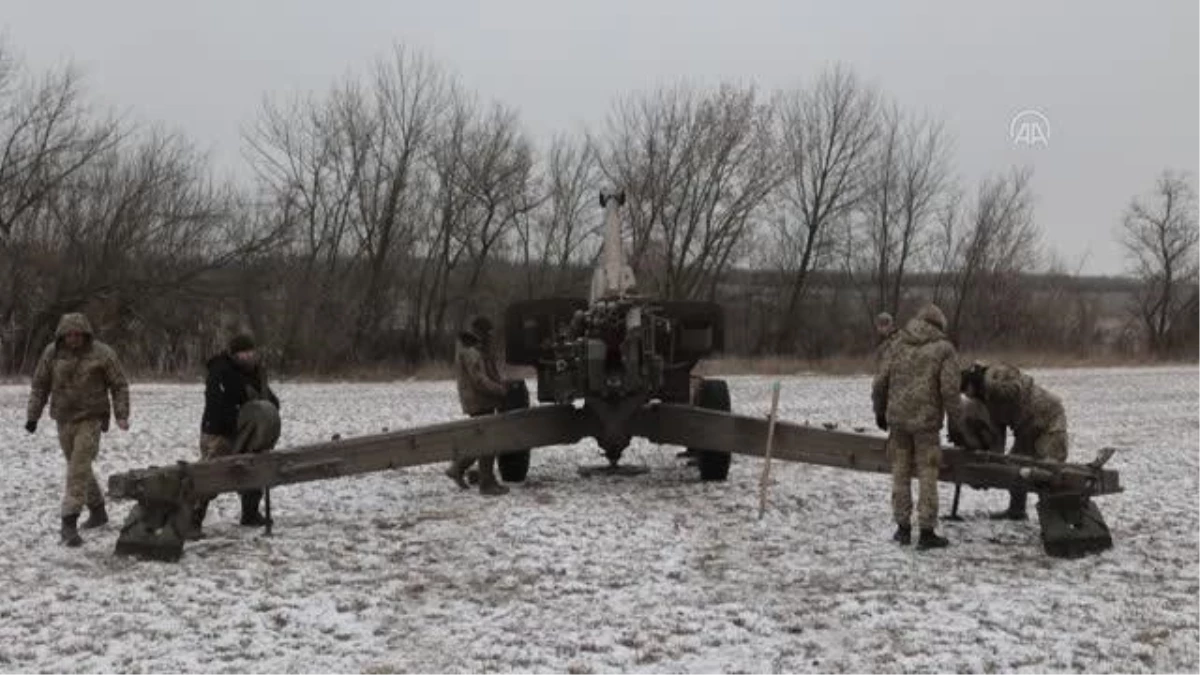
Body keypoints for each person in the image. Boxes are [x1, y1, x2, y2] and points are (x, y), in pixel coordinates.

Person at [25, 312, 130, 547]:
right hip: (64, 418)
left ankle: (68, 523)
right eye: (69, 334)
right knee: (78, 466)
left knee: (77, 468)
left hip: (91, 418)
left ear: (86, 334)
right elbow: (40, 385)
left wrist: (121, 415)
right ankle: (98, 510)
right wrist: (33, 415)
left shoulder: (102, 354)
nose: (74, 338)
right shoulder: (51, 353)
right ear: (62, 335)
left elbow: (119, 385)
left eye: (78, 334)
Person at [871, 303, 962, 550]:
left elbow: (880, 383)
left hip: (898, 422)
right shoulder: (944, 350)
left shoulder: (897, 344)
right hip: (926, 426)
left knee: (900, 473)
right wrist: (958, 423)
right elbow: (950, 392)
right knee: (927, 474)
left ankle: (902, 528)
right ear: (939, 324)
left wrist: (880, 411)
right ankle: (926, 531)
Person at [191, 333, 281, 536]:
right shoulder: (220, 371)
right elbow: (217, 404)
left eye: (251, 352)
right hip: (219, 432)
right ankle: (192, 519)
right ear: (234, 354)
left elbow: (267, 396)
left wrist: (269, 409)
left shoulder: (256, 372)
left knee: (254, 467)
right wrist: (238, 421)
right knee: (211, 474)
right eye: (243, 353)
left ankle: (250, 513)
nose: (248, 356)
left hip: (248, 430)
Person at [964, 361, 1069, 520]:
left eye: (967, 391)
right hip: (1025, 428)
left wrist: (993, 387)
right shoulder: (987, 401)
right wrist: (990, 466)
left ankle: (1055, 516)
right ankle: (1017, 510)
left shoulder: (995, 377)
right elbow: (998, 435)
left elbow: (1017, 387)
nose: (967, 396)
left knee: (1048, 468)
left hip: (1048, 419)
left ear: (972, 384)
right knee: (1015, 466)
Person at [446, 315, 510, 496]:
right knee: (487, 442)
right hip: (479, 401)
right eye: (489, 332)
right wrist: (500, 390)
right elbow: (479, 381)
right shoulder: (471, 351)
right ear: (481, 333)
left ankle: (458, 469)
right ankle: (487, 483)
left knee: (480, 439)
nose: (491, 336)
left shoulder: (475, 348)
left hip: (481, 400)